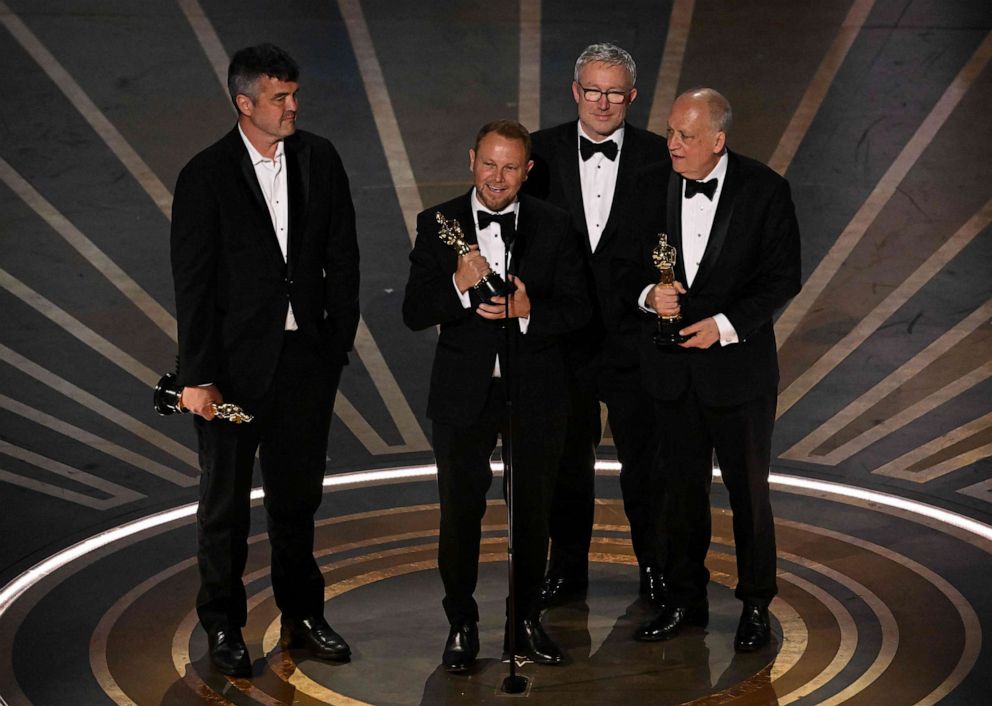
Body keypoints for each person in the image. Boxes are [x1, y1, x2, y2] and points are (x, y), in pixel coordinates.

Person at [170, 43, 360, 677]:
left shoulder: (320, 158)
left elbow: (345, 253)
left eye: (294, 94)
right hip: (229, 373)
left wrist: (334, 342)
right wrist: (197, 378)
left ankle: (303, 615)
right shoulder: (205, 176)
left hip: (305, 361)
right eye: (279, 98)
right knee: (224, 505)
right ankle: (224, 626)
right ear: (243, 103)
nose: (292, 107)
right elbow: (193, 285)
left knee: (297, 499)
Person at [403, 120, 588, 672]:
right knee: (460, 512)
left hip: (536, 392)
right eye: (489, 164)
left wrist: (530, 313)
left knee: (531, 512)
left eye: (510, 167)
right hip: (463, 394)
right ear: (471, 159)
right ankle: (461, 624)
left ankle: (524, 622)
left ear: (527, 171)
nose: (498, 178)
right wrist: (457, 284)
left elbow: (581, 311)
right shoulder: (438, 223)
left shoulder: (554, 225)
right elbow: (414, 311)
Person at [624, 88, 801, 652]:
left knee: (748, 494)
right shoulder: (649, 183)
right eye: (672, 132)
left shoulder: (766, 190)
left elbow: (781, 279)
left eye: (686, 136)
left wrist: (723, 324)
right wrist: (650, 295)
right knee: (679, 492)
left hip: (738, 373)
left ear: (718, 141)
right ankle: (684, 601)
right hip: (671, 372)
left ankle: (754, 604)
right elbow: (620, 265)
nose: (672, 143)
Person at [524, 43, 669, 605]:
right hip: (564, 341)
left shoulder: (663, 156)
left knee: (646, 464)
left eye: (614, 92)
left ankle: (656, 570)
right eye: (592, 90)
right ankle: (566, 569)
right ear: (575, 92)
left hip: (636, 341)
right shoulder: (539, 152)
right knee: (566, 465)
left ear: (631, 96)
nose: (602, 102)